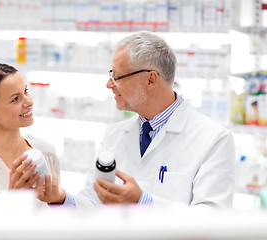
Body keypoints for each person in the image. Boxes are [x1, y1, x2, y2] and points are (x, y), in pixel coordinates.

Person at [36, 31, 235, 208]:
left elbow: (212, 221)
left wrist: (143, 202)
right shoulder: (114, 134)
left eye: (117, 76)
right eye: (110, 75)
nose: (108, 84)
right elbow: (93, 203)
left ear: (150, 79)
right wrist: (61, 198)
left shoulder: (214, 139)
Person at [0, 62, 60, 199]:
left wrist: (58, 200)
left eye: (25, 91)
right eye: (15, 99)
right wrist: (13, 199)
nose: (29, 102)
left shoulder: (46, 153)